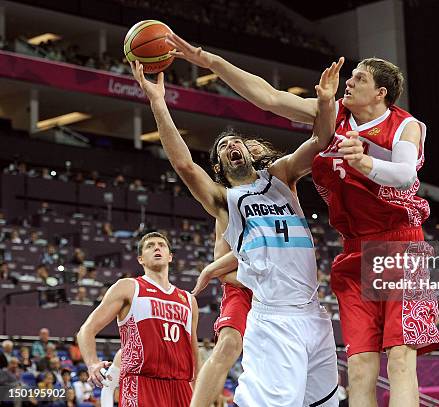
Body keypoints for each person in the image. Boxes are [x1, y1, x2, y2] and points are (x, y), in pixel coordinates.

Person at [165, 33, 439, 406]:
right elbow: (267, 97)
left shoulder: (404, 124)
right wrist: (208, 61)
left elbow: (407, 174)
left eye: (359, 77)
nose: (349, 81)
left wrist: (365, 162)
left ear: (381, 93)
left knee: (399, 358)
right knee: (360, 364)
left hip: (398, 243)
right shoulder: (331, 117)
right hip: (352, 250)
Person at [130, 53, 342, 407]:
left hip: (314, 314)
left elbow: (322, 140)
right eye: (223, 147)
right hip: (273, 316)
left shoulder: (281, 176)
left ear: (248, 151)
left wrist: (324, 101)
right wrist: (157, 102)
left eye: (235, 142)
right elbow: (184, 164)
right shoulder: (225, 199)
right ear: (218, 165)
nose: (232, 145)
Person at [189, 138, 283, 407]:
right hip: (243, 290)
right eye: (225, 146)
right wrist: (256, 279)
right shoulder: (228, 204)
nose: (249, 149)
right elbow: (222, 269)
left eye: (254, 148)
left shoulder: (279, 194)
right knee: (229, 345)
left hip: (279, 293)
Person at [77, 232, 199, 406]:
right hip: (141, 381)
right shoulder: (128, 287)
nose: (157, 247)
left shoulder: (188, 299)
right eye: (150, 246)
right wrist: (92, 363)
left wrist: (200, 388)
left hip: (181, 385)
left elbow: (193, 352)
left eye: (161, 245)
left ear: (170, 257)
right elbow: (86, 331)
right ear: (141, 259)